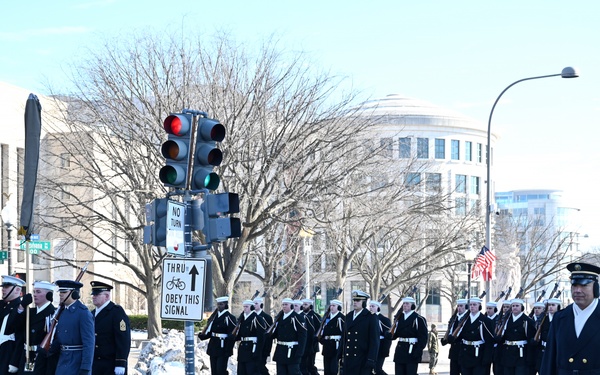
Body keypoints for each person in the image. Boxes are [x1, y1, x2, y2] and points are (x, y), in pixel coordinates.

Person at [540, 262, 600, 375]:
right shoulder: (560, 318)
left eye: (584, 285)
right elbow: (549, 358)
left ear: (596, 288)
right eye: (574, 285)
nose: (577, 290)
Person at [51, 279, 95, 375]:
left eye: (64, 292)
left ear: (74, 294)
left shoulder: (83, 313)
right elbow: (60, 337)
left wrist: (85, 367)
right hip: (62, 360)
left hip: (76, 361)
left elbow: (89, 343)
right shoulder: (63, 311)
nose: (60, 294)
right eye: (60, 292)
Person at [89, 281, 131, 375]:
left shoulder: (116, 312)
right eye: (93, 294)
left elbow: (123, 339)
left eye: (97, 294)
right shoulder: (91, 314)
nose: (93, 297)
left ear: (107, 296)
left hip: (110, 363)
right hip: (95, 363)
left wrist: (121, 362)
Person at [15, 280, 57, 375]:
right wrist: (22, 306)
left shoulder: (53, 314)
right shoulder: (30, 312)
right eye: (34, 292)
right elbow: (14, 327)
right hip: (26, 356)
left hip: (42, 358)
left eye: (38, 292)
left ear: (48, 295)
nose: (34, 295)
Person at [449, 297, 494, 375]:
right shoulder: (464, 320)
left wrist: (486, 358)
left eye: (474, 305)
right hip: (466, 354)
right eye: (471, 305)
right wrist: (452, 338)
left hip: (478, 355)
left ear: (479, 306)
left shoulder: (485, 320)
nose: (472, 306)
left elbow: (489, 341)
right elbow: (460, 336)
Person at [340, 290, 379, 375]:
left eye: (358, 301)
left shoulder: (371, 317)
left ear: (364, 303)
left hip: (362, 358)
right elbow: (344, 338)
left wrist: (371, 359)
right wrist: (339, 355)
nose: (355, 302)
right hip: (348, 357)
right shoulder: (349, 316)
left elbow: (374, 341)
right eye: (354, 300)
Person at [198, 296, 237, 375]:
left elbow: (232, 335)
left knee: (221, 371)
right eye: (218, 304)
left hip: (223, 348)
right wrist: (203, 336)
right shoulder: (214, 317)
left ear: (226, 305)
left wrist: (228, 349)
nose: (219, 306)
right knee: (214, 371)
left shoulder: (229, 317)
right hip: (213, 346)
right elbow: (211, 332)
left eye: (221, 304)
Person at [496, 298, 535, 375]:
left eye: (517, 306)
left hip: (521, 353)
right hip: (508, 352)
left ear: (522, 307)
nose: (515, 307)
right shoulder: (506, 320)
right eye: (513, 306)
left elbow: (531, 339)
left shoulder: (527, 321)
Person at [391, 296, 428, 375]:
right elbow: (396, 334)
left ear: (413, 306)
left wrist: (419, 350)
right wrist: (389, 335)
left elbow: (423, 337)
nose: (404, 305)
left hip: (412, 349)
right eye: (404, 303)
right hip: (400, 349)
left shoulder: (418, 319)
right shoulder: (399, 318)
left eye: (407, 304)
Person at [269, 297, 307, 375]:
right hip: (281, 350)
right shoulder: (280, 318)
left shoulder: (297, 317)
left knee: (293, 372)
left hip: (292, 351)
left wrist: (300, 352)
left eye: (286, 304)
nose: (284, 306)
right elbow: (276, 333)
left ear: (291, 306)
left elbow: (302, 336)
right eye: (283, 305)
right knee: (281, 372)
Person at [0, 275, 27, 374]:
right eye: (3, 287)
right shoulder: (1, 305)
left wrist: (14, 362)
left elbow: (20, 337)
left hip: (7, 352)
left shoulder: (20, 309)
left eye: (7, 287)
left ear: (17, 290)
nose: (3, 289)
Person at [234, 300, 267, 375]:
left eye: (247, 307)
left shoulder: (257, 318)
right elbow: (240, 334)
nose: (245, 308)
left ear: (252, 307)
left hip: (252, 348)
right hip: (243, 349)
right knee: (241, 371)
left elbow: (261, 337)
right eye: (244, 307)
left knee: (252, 371)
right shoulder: (242, 319)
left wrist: (258, 352)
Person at [442, 298, 468, 375]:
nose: (459, 308)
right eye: (458, 306)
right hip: (454, 352)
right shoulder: (454, 318)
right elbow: (450, 329)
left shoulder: (468, 318)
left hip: (463, 351)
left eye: (461, 306)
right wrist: (446, 339)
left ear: (465, 307)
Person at [318, 299, 344, 375]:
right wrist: (321, 339)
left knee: (333, 369)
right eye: (331, 305)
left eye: (334, 306)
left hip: (336, 346)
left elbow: (344, 333)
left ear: (338, 307)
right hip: (327, 346)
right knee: (327, 370)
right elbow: (322, 329)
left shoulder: (341, 318)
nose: (331, 307)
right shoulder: (327, 317)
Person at [368, 300, 392, 375]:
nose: (371, 308)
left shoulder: (384, 320)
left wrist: (385, 349)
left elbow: (388, 337)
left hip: (380, 346)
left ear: (378, 307)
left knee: (377, 369)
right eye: (370, 306)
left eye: (373, 306)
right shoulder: (368, 319)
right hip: (370, 346)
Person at [300, 298, 320, 375]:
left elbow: (318, 329)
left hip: (312, 344)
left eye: (306, 305)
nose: (304, 306)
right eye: (303, 304)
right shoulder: (301, 315)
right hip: (304, 344)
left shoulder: (315, 316)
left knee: (310, 364)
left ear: (310, 306)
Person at [254, 297, 273, 375]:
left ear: (261, 305)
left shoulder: (267, 317)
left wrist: (267, 350)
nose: (254, 305)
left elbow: (269, 335)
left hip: (263, 347)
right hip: (253, 348)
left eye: (256, 304)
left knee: (261, 367)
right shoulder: (251, 316)